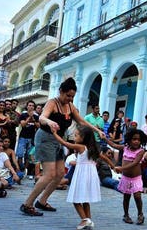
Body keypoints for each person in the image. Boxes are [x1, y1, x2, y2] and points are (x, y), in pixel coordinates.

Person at [20, 78, 106, 216]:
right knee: (49, 174)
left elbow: (82, 121)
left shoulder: (71, 107)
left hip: (58, 140)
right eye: (68, 95)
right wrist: (49, 122)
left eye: (72, 96)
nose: (70, 98)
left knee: (60, 174)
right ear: (61, 91)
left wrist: (98, 131)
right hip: (45, 138)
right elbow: (42, 118)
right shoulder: (52, 103)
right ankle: (27, 204)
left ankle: (42, 201)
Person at [52, 125, 101, 230]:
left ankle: (84, 219)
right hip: (90, 175)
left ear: (83, 137)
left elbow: (65, 143)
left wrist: (54, 133)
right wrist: (112, 165)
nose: (74, 137)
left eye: (76, 135)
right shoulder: (92, 148)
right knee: (86, 200)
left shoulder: (80, 147)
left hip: (82, 175)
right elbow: (103, 157)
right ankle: (89, 220)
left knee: (76, 199)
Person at [106, 129, 147, 225]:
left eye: (138, 139)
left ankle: (140, 214)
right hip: (126, 178)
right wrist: (105, 139)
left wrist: (121, 168)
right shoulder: (125, 148)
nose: (136, 141)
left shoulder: (141, 151)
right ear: (129, 140)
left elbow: (135, 163)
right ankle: (126, 215)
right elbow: (114, 145)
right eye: (134, 139)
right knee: (126, 197)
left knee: (137, 196)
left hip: (136, 178)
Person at [16, 100, 40, 172]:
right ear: (27, 106)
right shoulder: (23, 115)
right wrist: (29, 118)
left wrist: (34, 120)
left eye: (33, 106)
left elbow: (39, 126)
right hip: (23, 137)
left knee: (29, 155)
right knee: (20, 153)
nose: (31, 107)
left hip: (32, 137)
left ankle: (25, 170)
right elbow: (23, 125)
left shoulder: (36, 116)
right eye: (30, 105)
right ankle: (20, 167)